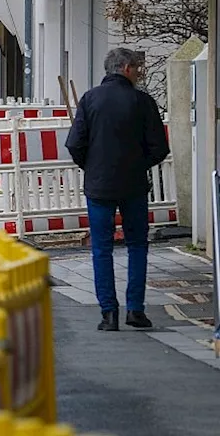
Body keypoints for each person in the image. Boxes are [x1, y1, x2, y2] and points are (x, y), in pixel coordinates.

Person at [64, 48, 169, 332]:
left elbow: (74, 143)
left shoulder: (90, 99)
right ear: (125, 68)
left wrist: (92, 166)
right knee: (137, 245)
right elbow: (160, 147)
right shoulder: (142, 101)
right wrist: (138, 164)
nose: (139, 72)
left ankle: (108, 314)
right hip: (133, 185)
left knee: (102, 249)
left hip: (99, 187)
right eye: (136, 67)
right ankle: (135, 310)